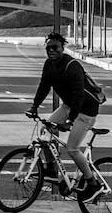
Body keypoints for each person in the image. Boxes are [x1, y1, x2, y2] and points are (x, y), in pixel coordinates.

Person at [28, 32, 104, 199]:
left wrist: (70, 121)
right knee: (45, 129)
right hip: (69, 106)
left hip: (86, 111)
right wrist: (34, 107)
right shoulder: (49, 65)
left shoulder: (72, 66)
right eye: (48, 48)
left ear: (62, 48)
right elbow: (44, 86)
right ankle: (50, 168)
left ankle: (93, 183)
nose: (51, 51)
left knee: (72, 148)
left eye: (55, 47)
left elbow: (79, 95)